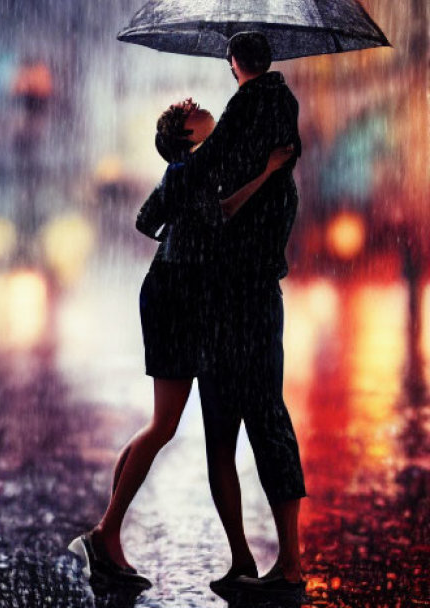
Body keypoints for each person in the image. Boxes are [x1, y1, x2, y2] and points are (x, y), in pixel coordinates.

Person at [69, 96, 294, 590]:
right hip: (176, 298)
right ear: (189, 137)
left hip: (176, 292)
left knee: (161, 424)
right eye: (189, 112)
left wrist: (181, 228)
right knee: (164, 424)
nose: (196, 104)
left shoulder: (184, 169)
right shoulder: (191, 167)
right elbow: (226, 214)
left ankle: (106, 538)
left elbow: (147, 220)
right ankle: (105, 534)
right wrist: (268, 172)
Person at [175, 31, 307, 599]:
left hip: (228, 298)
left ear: (233, 64)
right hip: (262, 296)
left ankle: (245, 562)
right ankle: (289, 561)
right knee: (270, 421)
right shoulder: (285, 111)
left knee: (222, 432)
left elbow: (203, 193)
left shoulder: (241, 113)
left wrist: (189, 155)